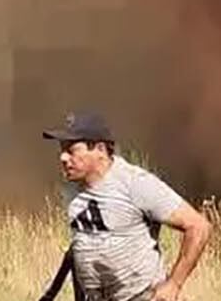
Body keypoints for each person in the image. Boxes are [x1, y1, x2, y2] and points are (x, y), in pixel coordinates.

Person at [41, 112, 212, 301]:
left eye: (71, 150)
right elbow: (83, 244)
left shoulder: (135, 184)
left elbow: (198, 227)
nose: (63, 157)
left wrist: (174, 284)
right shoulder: (73, 191)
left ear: (99, 149)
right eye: (61, 150)